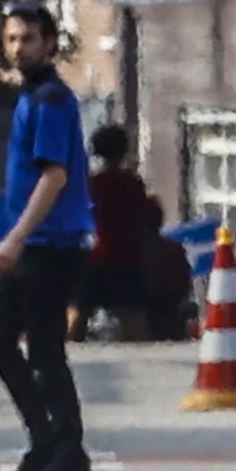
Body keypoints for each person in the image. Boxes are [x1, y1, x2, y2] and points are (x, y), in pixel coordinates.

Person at [0, 1, 93, 471]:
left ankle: (67, 452)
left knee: (45, 349)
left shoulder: (49, 99)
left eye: (27, 39)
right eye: (10, 39)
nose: (17, 48)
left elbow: (54, 176)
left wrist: (16, 236)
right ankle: (47, 441)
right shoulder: (32, 96)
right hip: (37, 242)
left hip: (50, 242)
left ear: (49, 43)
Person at [75, 123, 161, 336]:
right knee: (133, 314)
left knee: (81, 310)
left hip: (98, 255)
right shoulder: (133, 184)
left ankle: (69, 349)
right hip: (129, 255)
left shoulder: (93, 183)